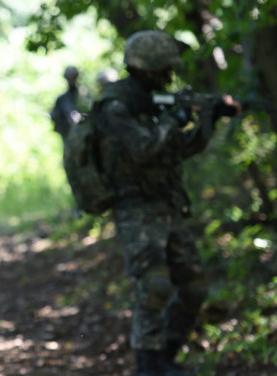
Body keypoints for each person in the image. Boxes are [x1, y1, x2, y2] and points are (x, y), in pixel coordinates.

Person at [93, 30, 242, 376]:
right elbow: (144, 148)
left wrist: (211, 115)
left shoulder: (154, 103)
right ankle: (148, 365)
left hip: (167, 204)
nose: (169, 77)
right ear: (146, 69)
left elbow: (182, 148)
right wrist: (176, 119)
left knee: (194, 286)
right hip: (136, 208)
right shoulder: (114, 106)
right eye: (164, 70)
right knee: (155, 285)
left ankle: (166, 358)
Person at [49, 65, 92, 142]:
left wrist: (80, 116)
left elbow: (92, 113)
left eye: (73, 77)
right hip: (67, 134)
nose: (71, 80)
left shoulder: (84, 96)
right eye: (68, 78)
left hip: (83, 135)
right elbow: (54, 116)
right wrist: (66, 118)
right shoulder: (62, 99)